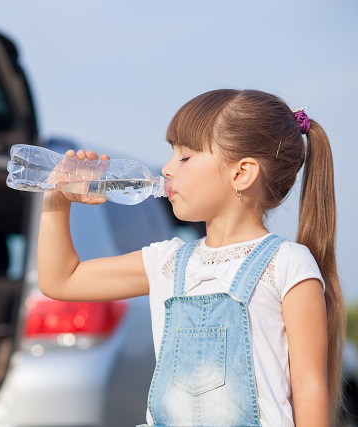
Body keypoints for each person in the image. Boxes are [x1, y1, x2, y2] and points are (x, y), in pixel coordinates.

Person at [37, 89, 345, 427]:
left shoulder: (287, 263)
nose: (167, 168)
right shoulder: (166, 261)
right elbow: (61, 279)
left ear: (241, 173)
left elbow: (310, 387)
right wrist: (57, 201)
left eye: (185, 157)